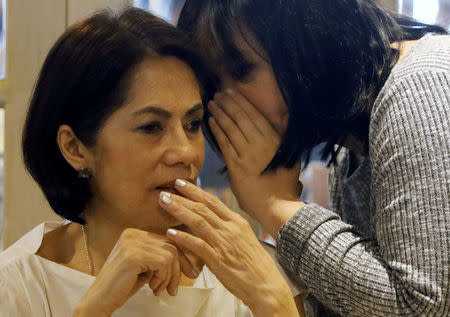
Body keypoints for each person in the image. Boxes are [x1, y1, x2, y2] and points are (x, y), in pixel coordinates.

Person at [0, 8, 304, 317]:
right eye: (151, 127)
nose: (184, 152)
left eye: (193, 124)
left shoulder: (251, 272)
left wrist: (274, 303)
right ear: (75, 148)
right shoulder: (18, 286)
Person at [160, 0, 450, 316]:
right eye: (213, 86)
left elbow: (425, 306)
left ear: (303, 38)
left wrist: (277, 205)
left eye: (242, 69)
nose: (226, 105)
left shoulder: (420, 88)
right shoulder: (349, 146)